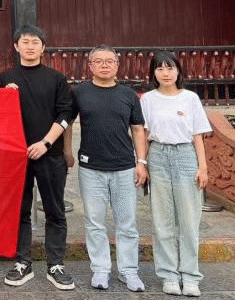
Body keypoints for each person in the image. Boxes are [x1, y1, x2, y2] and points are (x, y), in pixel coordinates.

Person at [0, 24, 76, 291]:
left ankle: (56, 264)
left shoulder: (56, 78)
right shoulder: (5, 77)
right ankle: (22, 262)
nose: (30, 46)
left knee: (54, 210)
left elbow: (65, 114)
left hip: (49, 153)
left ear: (43, 47)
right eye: (25, 42)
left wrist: (45, 142)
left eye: (35, 42)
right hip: (17, 157)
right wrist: (4, 95)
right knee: (20, 210)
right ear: (16, 46)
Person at [66, 45, 148, 293]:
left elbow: (138, 129)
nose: (104, 65)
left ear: (117, 65)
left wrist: (141, 162)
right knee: (94, 222)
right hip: (91, 168)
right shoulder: (79, 92)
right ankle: (100, 269)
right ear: (90, 66)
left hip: (124, 167)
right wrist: (67, 151)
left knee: (127, 223)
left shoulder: (128, 95)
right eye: (99, 61)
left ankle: (128, 270)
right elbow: (67, 123)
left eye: (109, 61)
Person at [140, 51, 211, 297]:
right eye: (160, 69)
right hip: (158, 156)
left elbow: (198, 136)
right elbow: (143, 135)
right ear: (153, 73)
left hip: (186, 156)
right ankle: (169, 275)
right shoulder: (148, 99)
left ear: (178, 71)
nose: (166, 73)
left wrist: (203, 167)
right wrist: (142, 163)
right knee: (163, 220)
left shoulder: (190, 98)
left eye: (170, 68)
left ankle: (190, 276)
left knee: (189, 221)